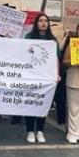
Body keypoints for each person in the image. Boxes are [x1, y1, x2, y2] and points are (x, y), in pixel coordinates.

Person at [24, 14, 60, 143]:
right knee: (30, 103)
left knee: (42, 103)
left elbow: (55, 58)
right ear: (36, 23)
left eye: (46, 21)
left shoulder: (52, 40)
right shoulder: (29, 37)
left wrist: (56, 74)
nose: (43, 23)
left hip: (46, 78)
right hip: (31, 76)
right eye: (41, 21)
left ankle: (39, 130)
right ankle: (30, 131)